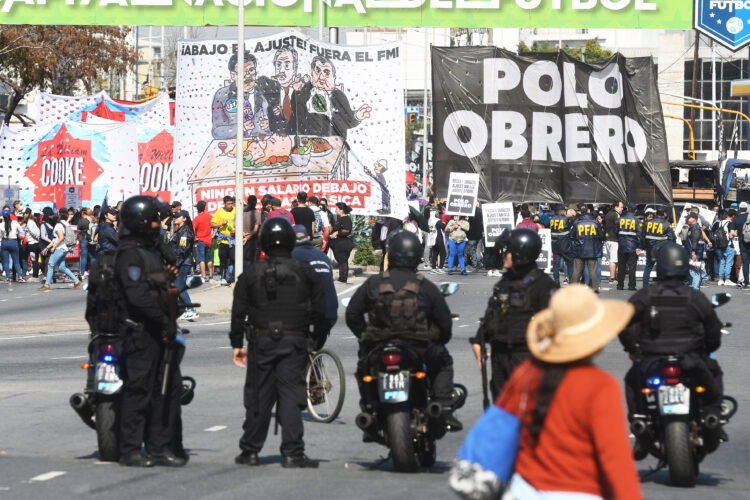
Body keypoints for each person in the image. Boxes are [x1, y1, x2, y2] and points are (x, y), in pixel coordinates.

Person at [498, 284, 642, 499]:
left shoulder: (525, 374)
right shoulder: (601, 385)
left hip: (524, 489)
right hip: (580, 490)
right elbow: (615, 459)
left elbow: (500, 430)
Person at [230, 217, 326, 468]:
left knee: (258, 396)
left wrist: (236, 343)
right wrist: (314, 338)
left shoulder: (251, 272)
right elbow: (321, 309)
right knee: (291, 396)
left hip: (261, 341)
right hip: (294, 341)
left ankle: (250, 451)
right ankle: (293, 453)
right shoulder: (305, 271)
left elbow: (238, 311)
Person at [345, 230, 463, 430]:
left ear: (391, 254)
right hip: (418, 347)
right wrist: (438, 339)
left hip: (378, 346)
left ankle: (369, 407)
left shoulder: (374, 283)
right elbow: (444, 323)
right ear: (417, 256)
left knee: (363, 368)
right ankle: (443, 406)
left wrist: (366, 335)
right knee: (443, 361)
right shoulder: (426, 287)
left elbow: (352, 315)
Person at [620, 242, 724, 457]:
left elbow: (624, 324)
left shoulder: (644, 295)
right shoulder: (695, 297)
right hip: (691, 359)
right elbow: (713, 333)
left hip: (650, 360)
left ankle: (639, 421)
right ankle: (713, 416)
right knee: (714, 372)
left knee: (632, 381)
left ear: (660, 267)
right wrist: (706, 350)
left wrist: (632, 348)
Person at [114, 195, 184, 467]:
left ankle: (159, 447)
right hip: (141, 333)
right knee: (139, 390)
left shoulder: (150, 251)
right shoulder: (130, 255)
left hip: (160, 333)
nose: (159, 224)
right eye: (154, 220)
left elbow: (168, 270)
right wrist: (162, 321)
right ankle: (131, 449)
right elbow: (137, 296)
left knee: (167, 391)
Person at [471, 229, 557, 399]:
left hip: (526, 357)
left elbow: (555, 327)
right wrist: (479, 340)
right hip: (500, 355)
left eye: (507, 251)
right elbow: (496, 313)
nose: (503, 255)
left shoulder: (543, 285)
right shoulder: (506, 281)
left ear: (519, 254)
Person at [292, 225, 338, 340]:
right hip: (331, 313)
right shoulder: (323, 256)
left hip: (311, 312)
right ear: (308, 238)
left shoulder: (291, 255)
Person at [39, 211, 81, 291]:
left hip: (60, 249)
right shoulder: (58, 225)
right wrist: (47, 248)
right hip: (62, 248)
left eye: (49, 221)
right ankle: (76, 281)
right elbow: (55, 239)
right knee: (62, 267)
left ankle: (47, 284)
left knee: (51, 265)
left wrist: (54, 247)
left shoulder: (58, 226)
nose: (48, 223)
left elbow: (61, 238)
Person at [169, 210, 198, 321]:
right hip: (180, 262)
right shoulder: (180, 230)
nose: (175, 218)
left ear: (184, 218)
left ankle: (191, 310)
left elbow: (182, 250)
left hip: (183, 262)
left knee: (179, 286)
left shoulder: (185, 231)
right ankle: (184, 310)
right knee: (178, 286)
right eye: (174, 216)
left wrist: (173, 260)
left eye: (178, 216)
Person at [570, 208, 604, 293]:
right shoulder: (595, 222)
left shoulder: (577, 223)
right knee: (592, 270)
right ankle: (595, 287)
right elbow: (601, 236)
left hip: (579, 249)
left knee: (577, 270)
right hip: (592, 249)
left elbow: (571, 236)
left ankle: (573, 288)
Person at [641, 208, 674, 288]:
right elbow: (672, 238)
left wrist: (644, 247)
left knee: (648, 267)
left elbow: (642, 237)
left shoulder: (648, 223)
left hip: (650, 248)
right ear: (664, 215)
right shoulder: (667, 224)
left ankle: (645, 285)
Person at [211, 195, 236, 285]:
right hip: (222, 241)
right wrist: (221, 224)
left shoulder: (236, 211)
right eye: (228, 204)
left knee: (234, 259)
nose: (231, 205)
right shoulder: (219, 212)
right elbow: (212, 224)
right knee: (223, 260)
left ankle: (233, 279)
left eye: (232, 203)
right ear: (224, 204)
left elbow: (240, 222)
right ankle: (223, 277)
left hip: (233, 240)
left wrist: (235, 229)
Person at [616, 207, 640, 291]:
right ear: (635, 210)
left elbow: (616, 231)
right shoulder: (636, 220)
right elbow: (640, 233)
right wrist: (639, 245)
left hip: (622, 246)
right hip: (632, 246)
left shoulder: (620, 219)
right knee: (632, 267)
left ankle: (620, 285)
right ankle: (631, 286)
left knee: (621, 267)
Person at [549, 205, 573, 286]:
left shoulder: (552, 219)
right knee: (570, 263)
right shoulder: (566, 219)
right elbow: (570, 229)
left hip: (555, 244)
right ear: (562, 211)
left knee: (556, 264)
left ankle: (556, 282)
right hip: (565, 245)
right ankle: (571, 282)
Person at [330, 202, 354, 283]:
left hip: (343, 243)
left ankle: (342, 278)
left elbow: (346, 230)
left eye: (336, 209)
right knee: (342, 260)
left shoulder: (345, 219)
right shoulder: (340, 219)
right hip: (339, 243)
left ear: (341, 210)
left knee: (342, 260)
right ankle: (343, 278)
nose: (335, 210)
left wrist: (337, 233)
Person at [729, 201, 750, 289]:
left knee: (745, 264)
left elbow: (731, 234)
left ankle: (746, 283)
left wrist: (739, 233)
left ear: (739, 209)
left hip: (743, 244)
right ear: (747, 208)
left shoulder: (736, 219)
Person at [192, 201, 214, 282]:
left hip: (200, 240)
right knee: (209, 259)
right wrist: (213, 235)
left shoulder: (197, 218)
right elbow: (214, 226)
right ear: (204, 208)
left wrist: (194, 237)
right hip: (209, 240)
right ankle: (211, 276)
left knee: (201, 259)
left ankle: (204, 276)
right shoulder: (210, 216)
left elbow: (193, 229)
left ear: (197, 209)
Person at [1, 209, 24, 282]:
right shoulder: (15, 223)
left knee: (6, 261)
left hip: (4, 242)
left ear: (3, 217)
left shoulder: (1, 225)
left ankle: (8, 278)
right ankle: (20, 277)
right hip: (13, 242)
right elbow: (21, 231)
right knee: (16, 261)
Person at [683, 213, 704, 290]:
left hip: (695, 253)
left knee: (695, 272)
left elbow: (695, 241)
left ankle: (695, 291)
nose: (687, 219)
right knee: (693, 272)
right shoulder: (692, 228)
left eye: (688, 218)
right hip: (692, 253)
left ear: (693, 219)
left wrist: (693, 253)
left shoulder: (696, 228)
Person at [604, 201, 623, 284]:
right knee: (613, 260)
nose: (622, 209)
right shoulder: (616, 215)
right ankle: (612, 278)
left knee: (611, 259)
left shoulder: (608, 214)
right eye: (621, 207)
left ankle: (613, 276)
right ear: (616, 207)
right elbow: (618, 226)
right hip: (614, 239)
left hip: (607, 239)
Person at [242, 195, 261, 269]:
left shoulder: (242, 211)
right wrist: (247, 237)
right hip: (252, 240)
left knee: (242, 259)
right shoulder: (256, 213)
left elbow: (236, 225)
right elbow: (255, 229)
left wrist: (243, 234)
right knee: (251, 261)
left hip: (242, 238)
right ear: (256, 202)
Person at [77, 208, 96, 277]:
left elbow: (78, 229)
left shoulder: (82, 220)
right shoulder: (93, 219)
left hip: (84, 239)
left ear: (83, 213)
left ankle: (82, 273)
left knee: (83, 256)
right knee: (93, 256)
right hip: (92, 239)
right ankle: (94, 272)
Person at [25, 209, 42, 281]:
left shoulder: (29, 222)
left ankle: (35, 276)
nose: (24, 215)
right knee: (35, 259)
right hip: (35, 243)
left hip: (33, 244)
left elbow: (33, 232)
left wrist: (37, 237)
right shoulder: (32, 222)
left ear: (28, 214)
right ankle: (36, 275)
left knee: (34, 260)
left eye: (25, 213)